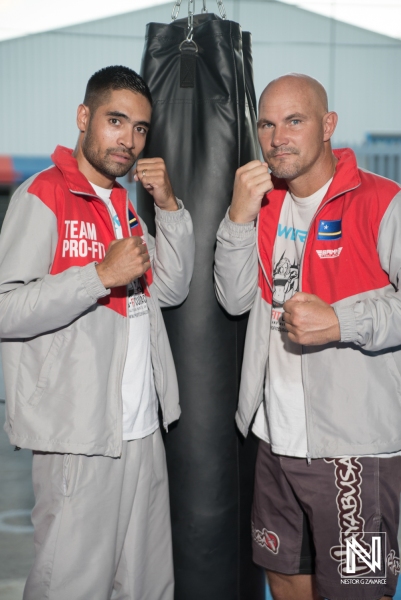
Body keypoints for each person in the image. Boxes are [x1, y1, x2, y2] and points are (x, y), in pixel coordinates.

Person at [0, 65, 195, 600]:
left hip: (141, 431)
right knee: (71, 585)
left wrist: (170, 207)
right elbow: (5, 308)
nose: (128, 140)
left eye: (139, 128)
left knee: (146, 586)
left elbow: (171, 290)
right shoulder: (43, 196)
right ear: (85, 118)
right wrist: (96, 277)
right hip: (78, 438)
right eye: (115, 121)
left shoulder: (123, 206)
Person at [214, 73, 401, 600]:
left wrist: (343, 321)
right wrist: (236, 218)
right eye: (268, 124)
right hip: (275, 440)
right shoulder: (263, 204)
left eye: (294, 121)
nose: (278, 138)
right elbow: (231, 299)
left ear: (328, 126)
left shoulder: (383, 202)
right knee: (283, 578)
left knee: (355, 593)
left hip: (355, 453)